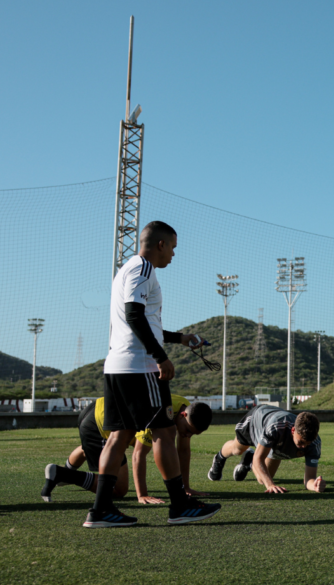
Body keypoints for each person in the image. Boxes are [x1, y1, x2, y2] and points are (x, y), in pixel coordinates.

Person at [87, 221, 220, 527]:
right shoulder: (143, 269)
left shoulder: (127, 269)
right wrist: (160, 357)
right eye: (172, 247)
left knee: (119, 436)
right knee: (164, 431)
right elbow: (134, 315)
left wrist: (180, 338)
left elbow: (141, 320)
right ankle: (179, 505)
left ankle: (100, 510)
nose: (173, 254)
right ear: (160, 244)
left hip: (118, 365)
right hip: (140, 366)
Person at [41, 396, 212, 503]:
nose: (187, 435)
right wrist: (142, 494)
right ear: (183, 415)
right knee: (119, 490)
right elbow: (139, 454)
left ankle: (66, 471)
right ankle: (62, 474)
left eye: (193, 434)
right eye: (188, 431)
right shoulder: (159, 414)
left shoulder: (186, 407)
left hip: (97, 410)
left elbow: (183, 452)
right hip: (99, 423)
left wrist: (185, 487)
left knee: (90, 449)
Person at [208, 406, 325, 493]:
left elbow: (309, 479)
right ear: (293, 430)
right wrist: (270, 485)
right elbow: (259, 458)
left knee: (261, 479)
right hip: (256, 421)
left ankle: (248, 461)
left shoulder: (314, 443)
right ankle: (219, 458)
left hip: (277, 443)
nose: (304, 447)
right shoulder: (275, 428)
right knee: (238, 449)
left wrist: (314, 485)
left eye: (307, 444)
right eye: (300, 442)